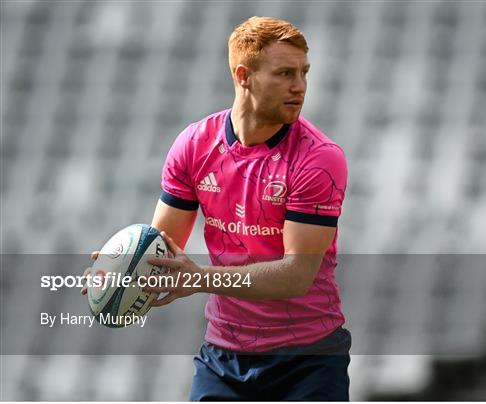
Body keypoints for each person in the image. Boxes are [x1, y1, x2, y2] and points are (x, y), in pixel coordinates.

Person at [86, 16, 350, 401]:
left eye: (304, 73)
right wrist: (118, 268)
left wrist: (196, 279)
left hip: (308, 360)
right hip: (223, 357)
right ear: (244, 76)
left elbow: (297, 276)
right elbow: (164, 246)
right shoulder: (194, 145)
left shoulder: (320, 160)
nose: (300, 87)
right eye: (285, 73)